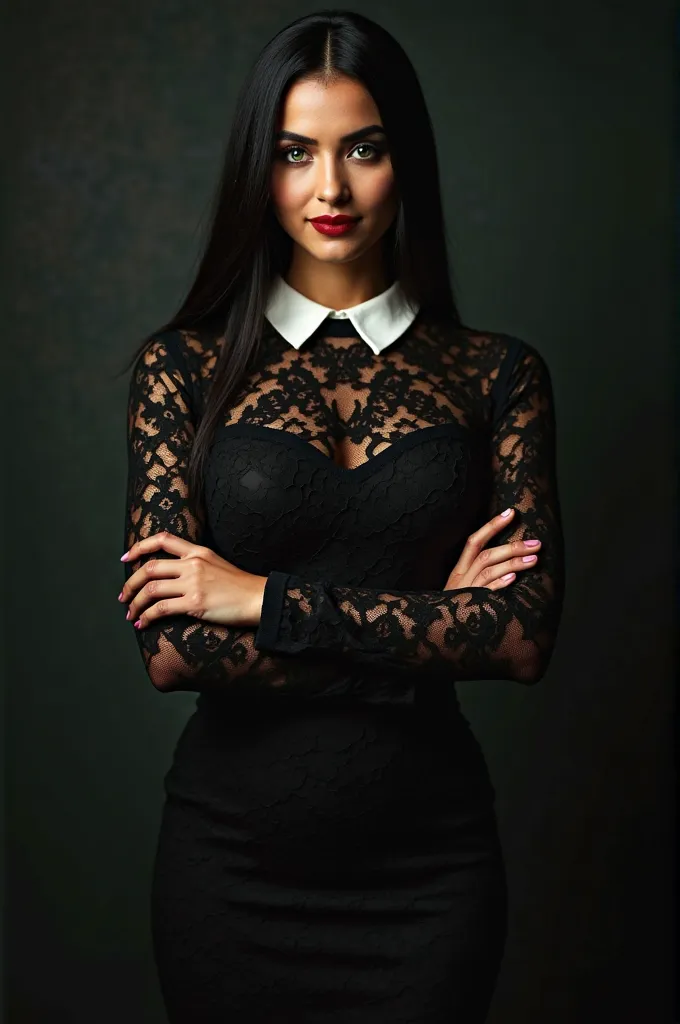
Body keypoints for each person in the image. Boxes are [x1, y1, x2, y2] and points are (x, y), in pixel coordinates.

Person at [117, 9, 565, 1022]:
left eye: (362, 147)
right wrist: (431, 628)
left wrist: (257, 597)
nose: (330, 188)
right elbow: (173, 651)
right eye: (293, 153)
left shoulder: (496, 374)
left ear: (402, 157)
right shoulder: (179, 370)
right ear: (255, 169)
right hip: (227, 871)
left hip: (430, 874)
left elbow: (523, 636)